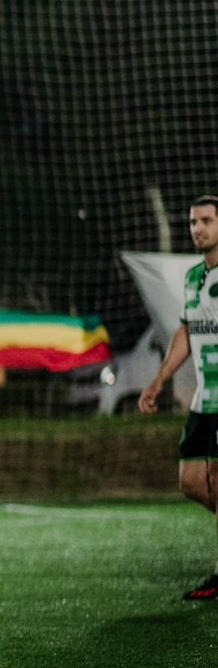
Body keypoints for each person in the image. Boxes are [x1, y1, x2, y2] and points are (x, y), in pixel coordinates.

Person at [139, 193, 218, 600]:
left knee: (217, 478)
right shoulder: (192, 278)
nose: (197, 229)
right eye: (192, 222)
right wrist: (157, 382)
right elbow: (186, 332)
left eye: (206, 221)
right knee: (190, 482)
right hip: (205, 399)